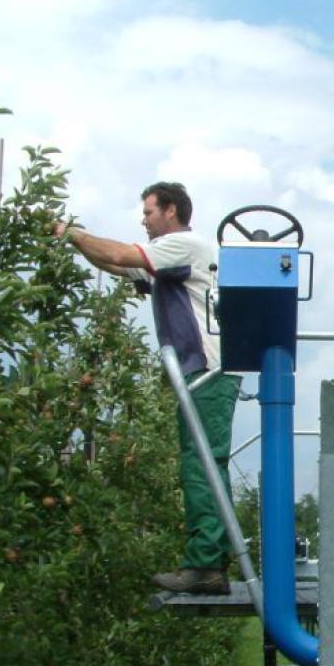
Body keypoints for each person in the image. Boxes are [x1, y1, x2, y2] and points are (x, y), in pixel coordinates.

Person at [55, 182, 240, 595]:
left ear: (170, 211)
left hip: (207, 370)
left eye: (149, 212)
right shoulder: (170, 258)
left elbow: (123, 254)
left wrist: (72, 232)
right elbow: (119, 267)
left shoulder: (184, 245)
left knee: (203, 464)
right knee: (202, 462)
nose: (143, 220)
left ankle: (207, 565)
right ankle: (209, 560)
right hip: (199, 372)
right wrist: (75, 243)